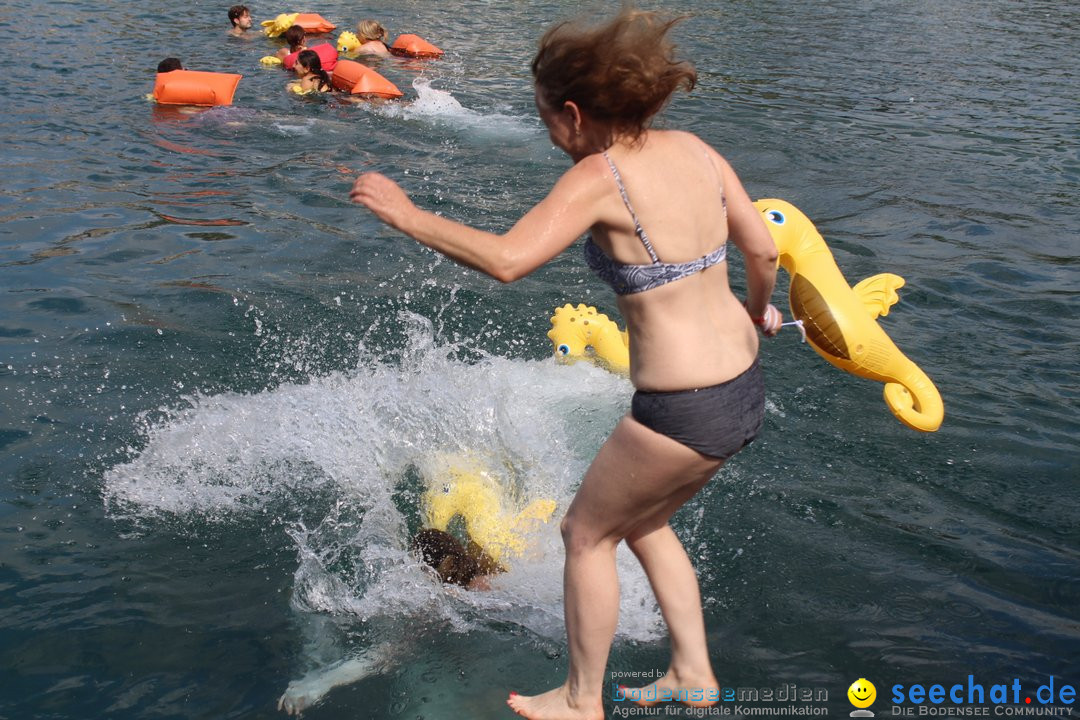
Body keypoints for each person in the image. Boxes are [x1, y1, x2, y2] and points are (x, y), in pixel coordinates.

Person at [350, 6, 782, 719]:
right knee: (643, 523)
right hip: (741, 389)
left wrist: (404, 212)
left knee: (585, 534)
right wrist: (757, 308)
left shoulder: (599, 177)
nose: (551, 134)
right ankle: (693, 673)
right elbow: (761, 249)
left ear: (576, 113)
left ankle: (582, 699)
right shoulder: (699, 151)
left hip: (680, 407)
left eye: (547, 119)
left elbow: (509, 259)